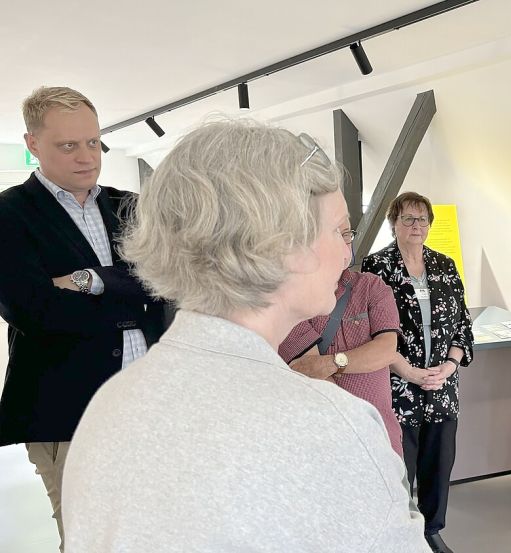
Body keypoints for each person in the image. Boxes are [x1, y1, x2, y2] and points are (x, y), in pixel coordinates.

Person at [59, 121, 429, 552]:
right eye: (339, 231)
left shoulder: (111, 404)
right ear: (282, 244)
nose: (347, 252)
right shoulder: (329, 425)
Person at [0, 86, 166, 551]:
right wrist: (131, 293)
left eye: (93, 142)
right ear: (32, 144)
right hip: (68, 412)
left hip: (148, 405)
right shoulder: (9, 215)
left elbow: (168, 286)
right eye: (68, 145)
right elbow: (35, 310)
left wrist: (89, 281)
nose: (86, 157)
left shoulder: (132, 205)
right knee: (91, 540)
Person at [361, 191, 474, 553]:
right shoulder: (376, 269)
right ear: (393, 223)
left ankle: (431, 530)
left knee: (438, 464)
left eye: (422, 219)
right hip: (398, 386)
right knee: (398, 466)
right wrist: (408, 371)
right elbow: (370, 332)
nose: (416, 226)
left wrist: (451, 364)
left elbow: (463, 326)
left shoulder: (445, 266)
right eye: (408, 218)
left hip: (442, 385)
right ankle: (397, 533)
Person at [278, 262, 404, 456]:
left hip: (384, 441)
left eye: (348, 235)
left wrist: (332, 363)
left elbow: (386, 350)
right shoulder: (288, 297)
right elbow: (310, 371)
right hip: (328, 446)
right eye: (337, 233)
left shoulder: (371, 286)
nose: (346, 247)